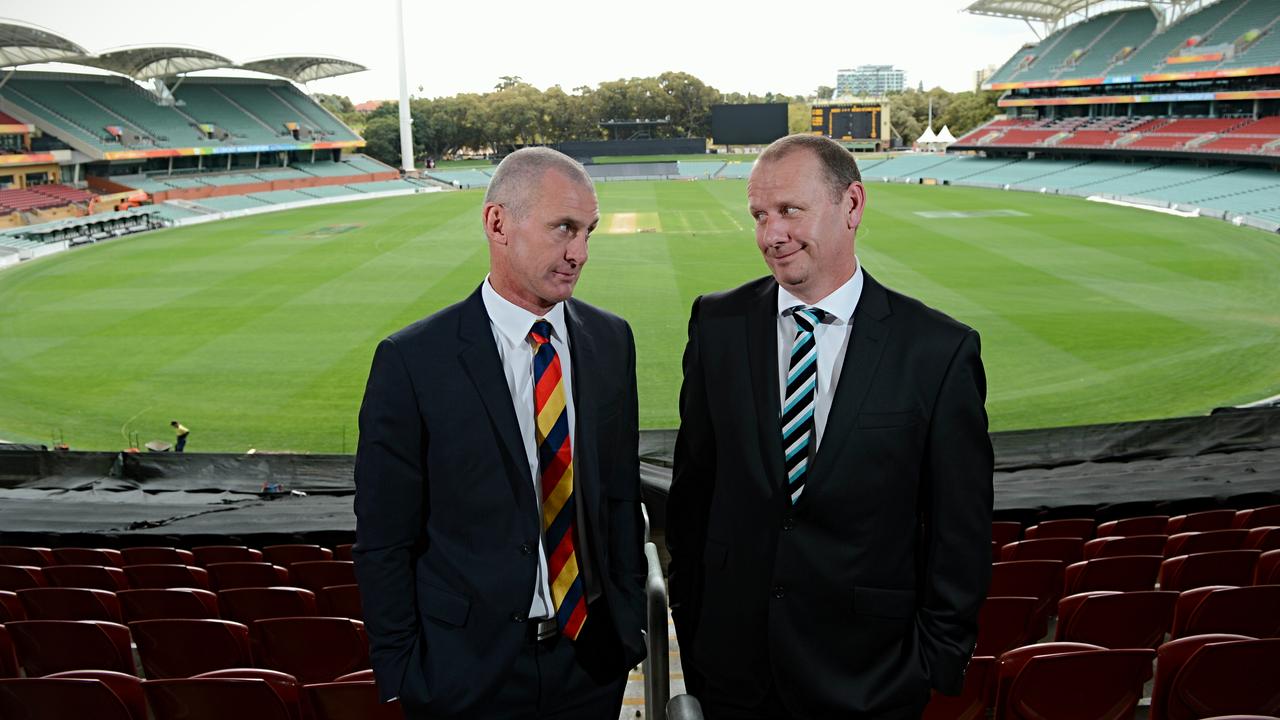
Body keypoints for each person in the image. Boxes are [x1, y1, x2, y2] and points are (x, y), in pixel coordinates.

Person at [666, 134, 993, 719]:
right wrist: (693, 623)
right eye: (760, 216)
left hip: (870, 681)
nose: (771, 235)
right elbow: (695, 491)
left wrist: (931, 664)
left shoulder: (937, 351)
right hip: (734, 674)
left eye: (790, 211)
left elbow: (959, 530)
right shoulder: (717, 323)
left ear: (852, 205)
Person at [352, 147, 646, 720]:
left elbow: (617, 497)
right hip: (464, 675)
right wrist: (403, 674)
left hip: (588, 665)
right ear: (497, 223)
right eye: (563, 228)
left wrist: (627, 624)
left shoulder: (611, 341)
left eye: (589, 231)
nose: (579, 253)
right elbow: (384, 537)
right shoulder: (413, 361)